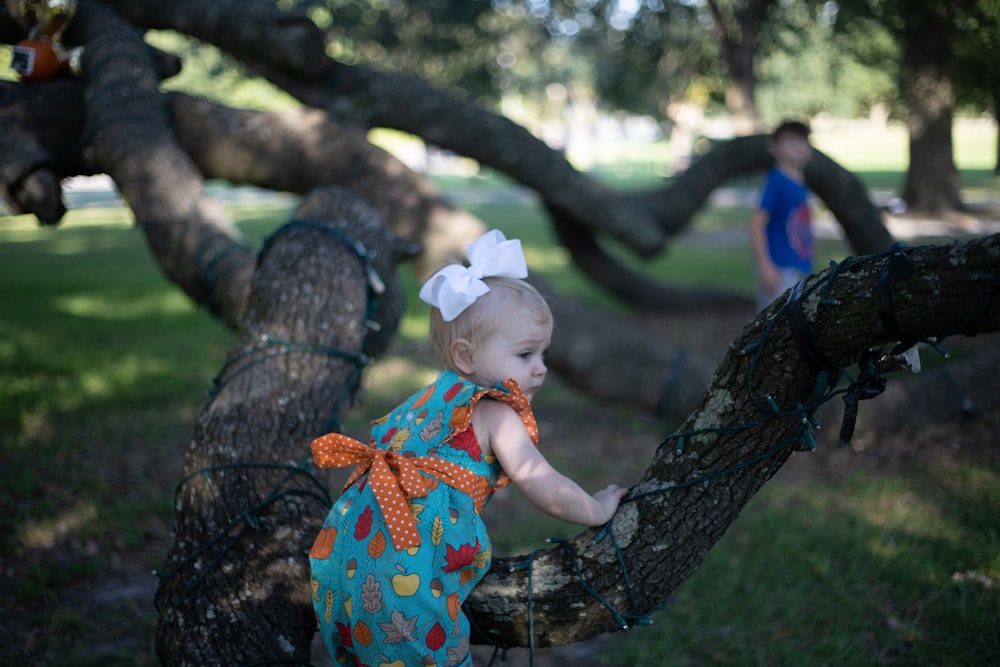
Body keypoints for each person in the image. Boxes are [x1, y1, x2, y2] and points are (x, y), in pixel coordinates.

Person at [308, 229, 630, 666]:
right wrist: (595, 509)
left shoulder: (429, 398)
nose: (540, 369)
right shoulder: (495, 413)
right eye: (525, 354)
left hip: (346, 551)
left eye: (544, 355)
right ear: (466, 356)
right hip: (406, 572)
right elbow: (542, 482)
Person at [748, 120, 815, 311]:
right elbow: (756, 222)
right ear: (774, 148)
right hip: (779, 269)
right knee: (776, 324)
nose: (799, 147)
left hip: (796, 268)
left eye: (803, 141)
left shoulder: (798, 181)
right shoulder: (777, 180)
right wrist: (765, 266)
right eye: (792, 141)